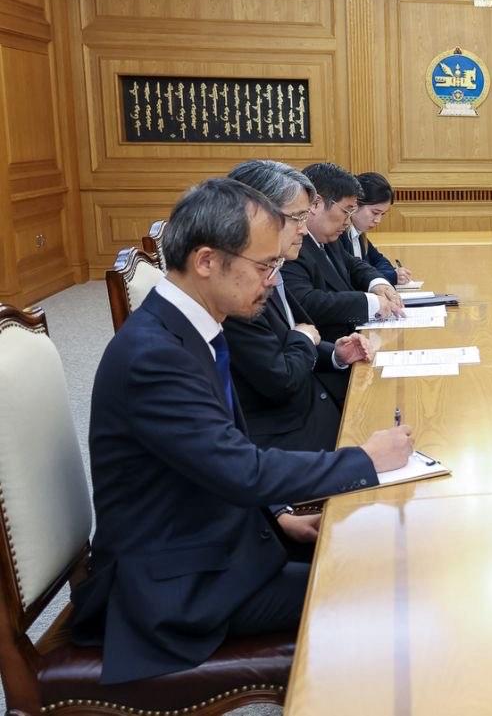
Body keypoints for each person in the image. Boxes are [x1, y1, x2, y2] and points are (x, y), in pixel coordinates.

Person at [69, 178, 414, 685]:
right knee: (383, 587)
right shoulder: (154, 357)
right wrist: (365, 459)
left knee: (380, 549)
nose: (274, 281)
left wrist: (279, 517)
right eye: (264, 266)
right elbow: (240, 467)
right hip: (179, 587)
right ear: (207, 261)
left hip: (218, 539)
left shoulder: (188, 325)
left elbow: (215, 453)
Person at [222, 160, 373, 451]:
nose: (304, 230)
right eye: (297, 218)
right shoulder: (237, 289)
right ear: (255, 216)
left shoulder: (271, 269)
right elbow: (280, 377)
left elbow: (289, 336)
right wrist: (303, 339)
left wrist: (336, 354)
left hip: (315, 404)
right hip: (288, 436)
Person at [281, 162, 406, 345]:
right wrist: (369, 302)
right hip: (327, 349)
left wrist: (377, 284)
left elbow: (354, 264)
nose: (348, 222)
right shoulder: (292, 245)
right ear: (316, 204)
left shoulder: (329, 239)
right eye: (346, 211)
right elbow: (306, 302)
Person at [348, 171, 413, 285]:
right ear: (355, 204)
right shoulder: (338, 236)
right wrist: (391, 276)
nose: (378, 220)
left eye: (382, 214)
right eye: (375, 212)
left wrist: (392, 274)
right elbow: (353, 276)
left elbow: (380, 261)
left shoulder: (360, 236)